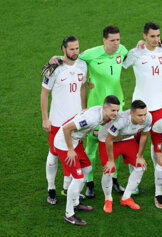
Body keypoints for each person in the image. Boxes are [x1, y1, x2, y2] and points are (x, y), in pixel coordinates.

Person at [50, 25, 128, 197]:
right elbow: (72, 57)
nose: (116, 43)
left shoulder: (122, 50)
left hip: (117, 109)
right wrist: (55, 58)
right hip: (96, 109)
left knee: (114, 143)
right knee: (91, 146)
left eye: (118, 40)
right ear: (104, 40)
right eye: (112, 40)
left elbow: (133, 57)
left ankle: (114, 179)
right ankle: (90, 183)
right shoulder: (90, 55)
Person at [123, 22, 162, 194]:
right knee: (135, 145)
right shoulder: (135, 53)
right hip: (140, 109)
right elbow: (120, 64)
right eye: (152, 36)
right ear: (144, 35)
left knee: (159, 146)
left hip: (159, 107)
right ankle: (134, 182)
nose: (156, 39)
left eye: (158, 36)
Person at [54, 95, 120, 226]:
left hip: (75, 141)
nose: (116, 113)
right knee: (78, 178)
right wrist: (70, 149)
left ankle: (75, 202)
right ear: (105, 108)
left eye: (117, 110)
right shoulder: (91, 118)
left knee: (87, 168)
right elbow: (67, 129)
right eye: (113, 110)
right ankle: (69, 214)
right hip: (65, 144)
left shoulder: (101, 114)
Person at [41, 35, 87, 205]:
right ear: (63, 49)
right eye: (72, 49)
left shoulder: (82, 65)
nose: (75, 52)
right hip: (57, 122)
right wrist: (45, 118)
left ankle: (67, 187)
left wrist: (83, 109)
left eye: (77, 48)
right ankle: (51, 188)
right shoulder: (54, 68)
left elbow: (82, 88)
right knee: (53, 154)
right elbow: (44, 93)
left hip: (75, 122)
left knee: (72, 154)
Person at [98, 100, 151, 212]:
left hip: (127, 139)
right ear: (131, 113)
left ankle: (126, 198)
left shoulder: (148, 118)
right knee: (108, 170)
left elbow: (144, 135)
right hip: (108, 140)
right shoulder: (121, 121)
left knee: (140, 166)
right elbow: (109, 139)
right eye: (140, 115)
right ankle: (108, 199)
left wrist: (140, 156)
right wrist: (111, 160)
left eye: (145, 114)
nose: (143, 118)